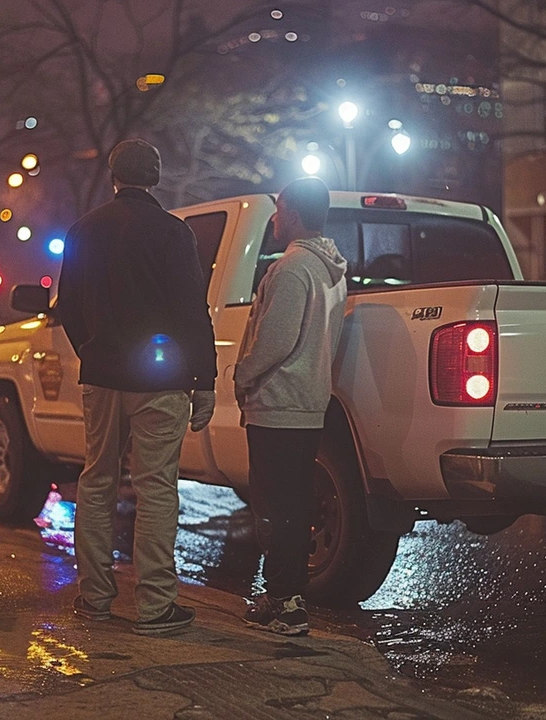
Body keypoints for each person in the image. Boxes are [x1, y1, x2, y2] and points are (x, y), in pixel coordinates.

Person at [56, 139, 217, 636]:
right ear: (157, 177)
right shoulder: (174, 232)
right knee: (156, 488)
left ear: (113, 176)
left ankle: (95, 597)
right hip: (161, 380)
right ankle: (154, 605)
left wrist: (91, 350)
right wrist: (203, 380)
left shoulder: (84, 230)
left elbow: (67, 305)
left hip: (102, 375)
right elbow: (193, 310)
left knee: (97, 480)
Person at [234, 177, 346, 636]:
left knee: (274, 508)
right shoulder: (330, 269)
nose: (274, 219)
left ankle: (284, 603)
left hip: (277, 403)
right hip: (307, 402)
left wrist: (242, 375)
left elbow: (274, 342)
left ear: (294, 215)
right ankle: (286, 595)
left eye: (279, 211)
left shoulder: (291, 269)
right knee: (294, 505)